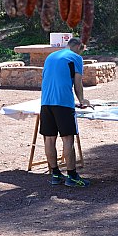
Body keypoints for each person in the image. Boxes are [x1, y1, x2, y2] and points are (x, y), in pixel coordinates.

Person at [40, 37, 91, 188]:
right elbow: (78, 82)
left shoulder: (51, 56)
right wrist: (82, 100)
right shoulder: (76, 58)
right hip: (63, 103)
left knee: (49, 139)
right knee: (68, 139)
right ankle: (72, 176)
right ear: (78, 47)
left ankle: (55, 173)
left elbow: (47, 78)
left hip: (46, 102)